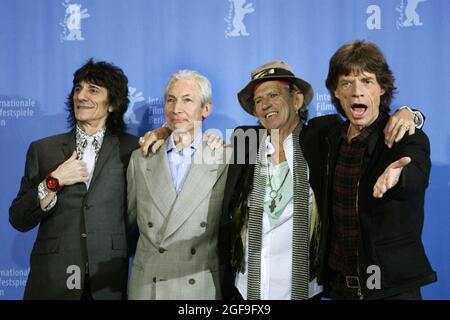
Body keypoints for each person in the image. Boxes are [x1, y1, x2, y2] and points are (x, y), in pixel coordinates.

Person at [220, 60, 424, 300]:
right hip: (247, 289)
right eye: (258, 100)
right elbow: (191, 146)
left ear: (296, 100)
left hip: (303, 289)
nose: (266, 104)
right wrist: (164, 133)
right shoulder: (246, 140)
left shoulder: (322, 135)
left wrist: (410, 114)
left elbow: (372, 122)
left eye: (273, 94)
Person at [9, 59, 139, 300]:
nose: (81, 96)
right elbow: (18, 218)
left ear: (112, 103)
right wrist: (53, 181)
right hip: (51, 281)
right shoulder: (43, 150)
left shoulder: (133, 150)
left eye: (93, 90)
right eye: (78, 88)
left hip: (106, 282)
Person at [323, 40, 436, 300]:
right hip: (342, 288)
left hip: (391, 288)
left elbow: (417, 172)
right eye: (346, 83)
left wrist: (398, 176)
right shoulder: (326, 136)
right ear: (336, 92)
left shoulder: (405, 136)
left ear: (382, 88)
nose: (356, 92)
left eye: (366, 81)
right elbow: (284, 125)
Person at [127, 70, 231, 299]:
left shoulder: (227, 158)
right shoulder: (140, 159)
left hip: (201, 287)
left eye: (187, 100)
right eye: (171, 100)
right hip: (148, 287)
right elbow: (126, 224)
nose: (176, 109)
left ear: (206, 109)